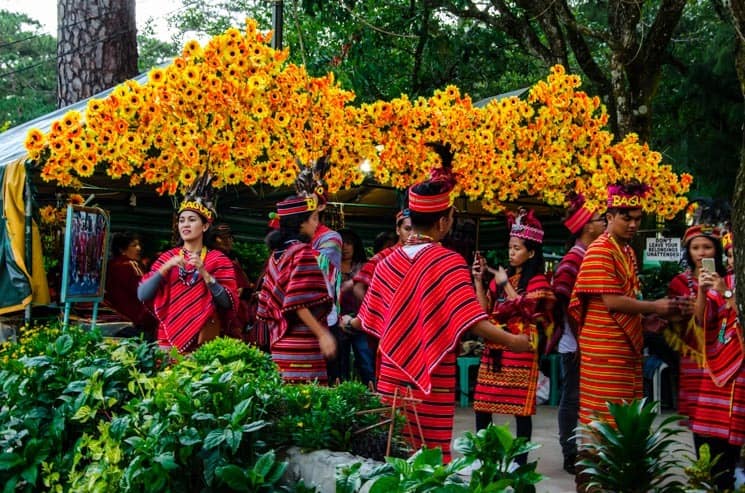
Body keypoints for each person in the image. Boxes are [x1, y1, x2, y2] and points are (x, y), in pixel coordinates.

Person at [353, 143, 533, 462]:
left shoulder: (386, 262)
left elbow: (368, 318)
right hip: (433, 376)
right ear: (443, 221)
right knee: (429, 462)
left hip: (391, 375)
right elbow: (473, 321)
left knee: (395, 457)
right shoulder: (447, 262)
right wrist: (515, 342)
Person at [568, 181, 681, 427]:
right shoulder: (600, 249)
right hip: (604, 346)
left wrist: (644, 319)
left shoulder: (627, 251)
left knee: (624, 415)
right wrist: (654, 307)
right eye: (626, 218)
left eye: (638, 219)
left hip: (625, 345)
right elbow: (612, 301)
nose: (633, 225)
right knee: (604, 416)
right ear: (610, 216)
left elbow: (630, 296)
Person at [471, 208, 555, 466]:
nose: (511, 252)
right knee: (483, 404)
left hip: (521, 348)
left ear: (531, 253)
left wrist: (505, 282)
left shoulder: (539, 281)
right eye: (510, 247)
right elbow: (485, 310)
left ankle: (520, 462)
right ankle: (485, 456)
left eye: (517, 248)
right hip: (495, 346)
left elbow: (528, 311)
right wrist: (478, 280)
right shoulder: (500, 278)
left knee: (521, 409)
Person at [548, 196, 605, 474]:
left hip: (589, 340)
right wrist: (582, 336)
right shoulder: (575, 258)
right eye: (599, 219)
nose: (604, 222)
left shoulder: (590, 254)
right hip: (576, 343)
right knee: (572, 398)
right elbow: (565, 300)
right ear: (587, 227)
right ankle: (570, 452)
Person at [138, 198, 238, 353]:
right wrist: (165, 268)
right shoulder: (167, 258)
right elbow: (142, 294)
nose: (185, 224)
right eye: (182, 220)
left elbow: (227, 303)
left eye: (192, 220)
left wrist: (204, 272)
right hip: (167, 338)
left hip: (203, 339)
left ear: (204, 226)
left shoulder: (218, 259)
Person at [256, 195, 337, 383]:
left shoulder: (276, 255)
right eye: (314, 218)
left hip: (280, 342)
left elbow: (270, 301)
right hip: (302, 344)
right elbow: (298, 301)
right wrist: (322, 334)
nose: (317, 224)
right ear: (301, 223)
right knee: (308, 403)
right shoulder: (302, 252)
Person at [688, 229, 745, 491]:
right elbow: (701, 321)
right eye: (731, 255)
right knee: (708, 435)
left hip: (739, 366)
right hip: (718, 362)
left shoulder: (732, 284)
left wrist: (727, 294)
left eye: (736, 255)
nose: (733, 260)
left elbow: (736, 310)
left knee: (731, 440)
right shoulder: (723, 281)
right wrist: (703, 291)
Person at [337, 228, 375, 385]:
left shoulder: (366, 266)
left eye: (349, 243)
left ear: (356, 245)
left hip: (362, 321)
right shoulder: (329, 266)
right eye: (341, 243)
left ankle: (374, 397)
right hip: (337, 322)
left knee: (367, 362)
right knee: (340, 366)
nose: (345, 247)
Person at [105, 232, 158, 340]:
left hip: (117, 317)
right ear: (122, 249)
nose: (139, 248)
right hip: (135, 319)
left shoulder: (110, 265)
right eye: (134, 245)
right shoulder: (131, 265)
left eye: (138, 245)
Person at [352, 208, 413, 302]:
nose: (412, 234)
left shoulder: (423, 255)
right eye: (407, 229)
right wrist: (371, 311)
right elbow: (358, 287)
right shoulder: (383, 257)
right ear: (398, 230)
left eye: (415, 229)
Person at [211, 223, 254, 340]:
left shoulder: (233, 260)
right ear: (213, 240)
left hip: (237, 314)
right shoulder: (210, 260)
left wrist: (245, 291)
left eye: (229, 237)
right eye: (222, 237)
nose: (227, 241)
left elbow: (243, 288)